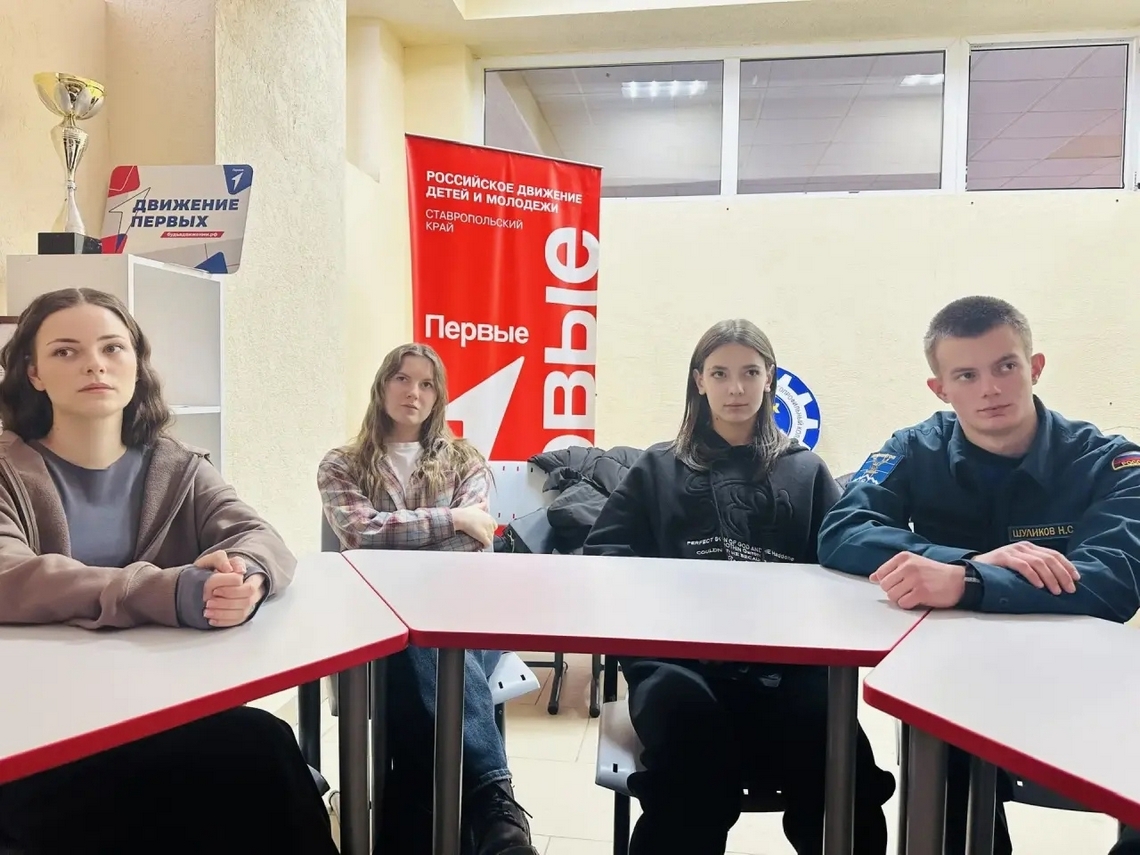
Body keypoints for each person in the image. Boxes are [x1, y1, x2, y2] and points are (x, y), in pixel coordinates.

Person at [0, 288, 337, 854]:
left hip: (155, 708)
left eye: (112, 347)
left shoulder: (177, 467)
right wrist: (170, 590)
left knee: (267, 749)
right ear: (33, 373)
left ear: (136, 365)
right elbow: (10, 576)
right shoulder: (6, 468)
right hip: (34, 729)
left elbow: (263, 539)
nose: (94, 364)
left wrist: (245, 576)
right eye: (65, 351)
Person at [818, 295, 1140, 855]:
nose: (991, 388)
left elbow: (1113, 580)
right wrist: (972, 561)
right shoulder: (914, 447)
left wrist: (966, 583)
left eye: (1006, 366)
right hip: (954, 685)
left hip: (1080, 686)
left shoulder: (1111, 462)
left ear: (1035, 367)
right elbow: (842, 530)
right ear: (940, 389)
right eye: (966, 375)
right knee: (945, 798)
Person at [582, 319, 896, 855]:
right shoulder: (656, 468)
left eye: (750, 373)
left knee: (845, 774)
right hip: (676, 663)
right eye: (720, 374)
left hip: (789, 665)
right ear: (698, 380)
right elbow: (605, 558)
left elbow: (841, 564)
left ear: (770, 378)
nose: (736, 388)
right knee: (691, 769)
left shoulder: (806, 471)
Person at [318, 342, 537, 855]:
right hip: (378, 620)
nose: (412, 392)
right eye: (401, 378)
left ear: (439, 396)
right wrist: (452, 519)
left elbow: (472, 544)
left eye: (426, 383)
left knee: (425, 649)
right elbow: (359, 533)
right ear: (381, 385)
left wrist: (400, 534)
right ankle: (494, 805)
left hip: (465, 615)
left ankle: (406, 830)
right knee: (416, 651)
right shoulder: (342, 464)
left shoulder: (464, 459)